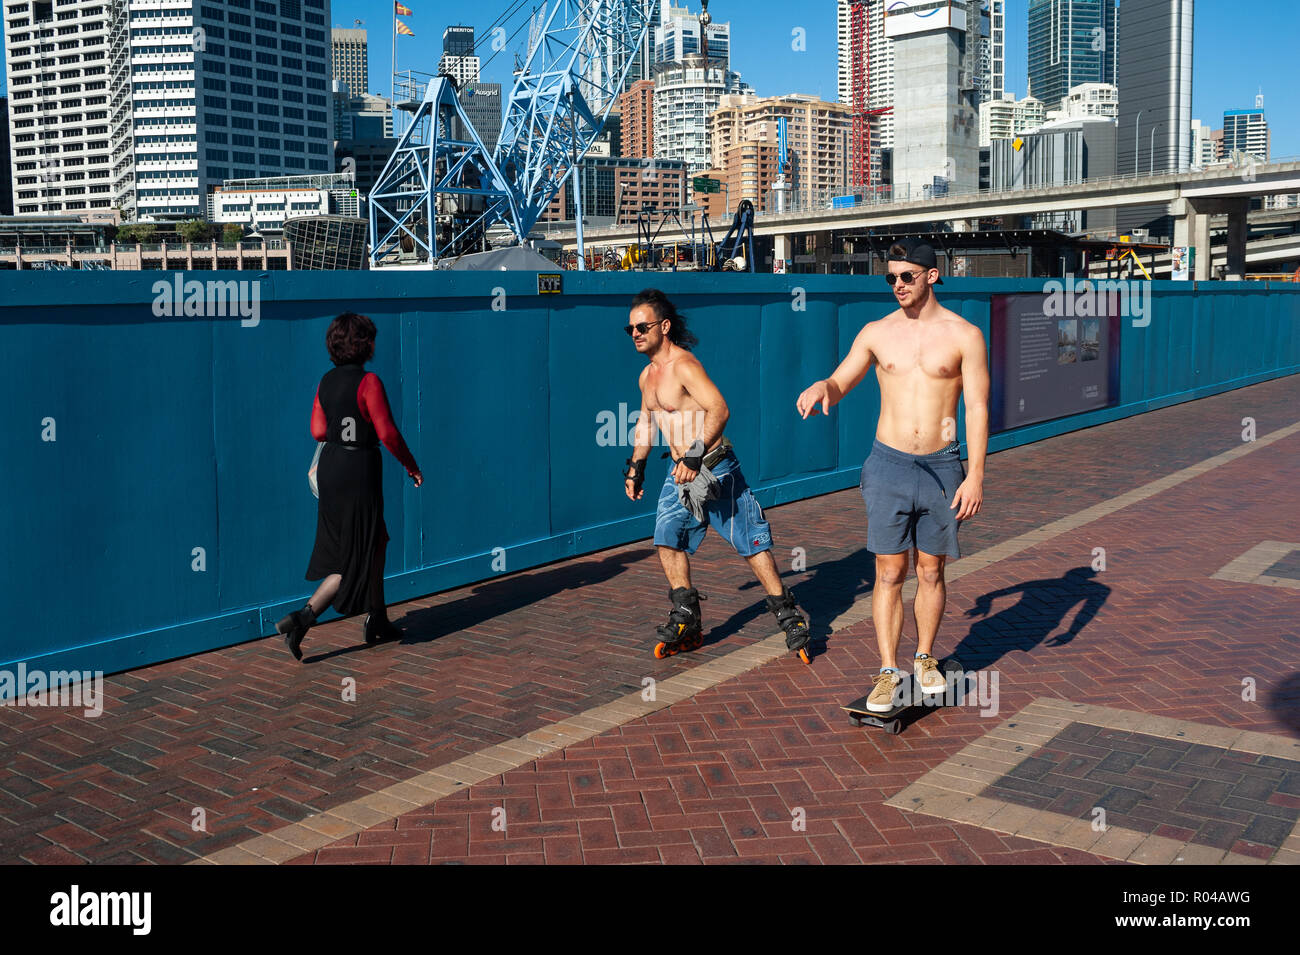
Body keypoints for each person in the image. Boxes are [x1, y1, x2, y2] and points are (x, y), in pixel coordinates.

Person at [796, 239, 988, 710]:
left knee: (930, 569)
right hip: (888, 465)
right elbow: (842, 380)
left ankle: (924, 658)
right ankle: (887, 670)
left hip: (943, 467)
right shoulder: (876, 333)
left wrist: (977, 474)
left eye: (906, 276)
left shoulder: (965, 335)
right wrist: (825, 385)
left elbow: (978, 407)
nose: (897, 285)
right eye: (891, 278)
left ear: (931, 276)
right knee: (888, 571)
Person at [622, 288, 812, 661]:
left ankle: (788, 615)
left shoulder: (684, 366)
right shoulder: (647, 376)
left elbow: (720, 410)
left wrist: (694, 456)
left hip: (713, 467)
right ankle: (687, 617)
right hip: (679, 473)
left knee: (750, 543)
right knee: (666, 538)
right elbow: (646, 423)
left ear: (664, 326)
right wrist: (635, 468)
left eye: (642, 327)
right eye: (629, 329)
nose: (635, 334)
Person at [277, 312, 423, 661]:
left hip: (332, 468)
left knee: (376, 541)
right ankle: (302, 619)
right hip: (359, 468)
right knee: (354, 558)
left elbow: (317, 431)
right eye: (371, 338)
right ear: (363, 344)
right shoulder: (369, 382)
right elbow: (387, 433)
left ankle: (380, 619)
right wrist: (411, 466)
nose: (374, 344)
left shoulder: (325, 382)